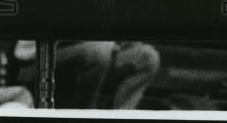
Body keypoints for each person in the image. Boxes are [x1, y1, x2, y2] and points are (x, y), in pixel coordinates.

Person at [13, 40, 161, 110]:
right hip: (37, 61)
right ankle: (86, 115)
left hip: (96, 55)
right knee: (98, 49)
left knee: (147, 57)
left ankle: (121, 116)